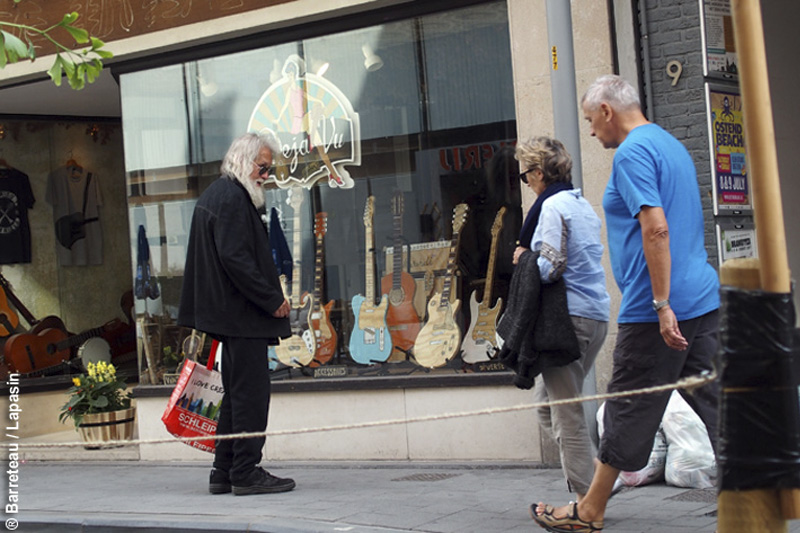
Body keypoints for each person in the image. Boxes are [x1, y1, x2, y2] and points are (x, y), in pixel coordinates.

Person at [532, 75, 720, 532]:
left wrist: (660, 304)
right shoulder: (670, 144)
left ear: (606, 111)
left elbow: (656, 227)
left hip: (658, 306)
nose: (591, 132)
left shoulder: (633, 152)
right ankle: (763, 489)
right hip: (702, 297)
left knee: (626, 407)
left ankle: (590, 509)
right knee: (716, 397)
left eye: (590, 121)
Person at [178, 132, 294, 496]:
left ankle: (223, 470)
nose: (266, 174)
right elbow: (236, 259)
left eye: (269, 168)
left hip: (229, 313)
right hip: (240, 313)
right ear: (244, 162)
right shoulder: (231, 197)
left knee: (237, 391)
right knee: (251, 393)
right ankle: (245, 470)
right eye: (262, 166)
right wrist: (270, 299)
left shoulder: (221, 194)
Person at [512, 137, 609, 503]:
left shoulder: (551, 207)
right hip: (594, 316)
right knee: (546, 405)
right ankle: (597, 480)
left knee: (566, 415)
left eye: (526, 177)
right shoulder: (580, 203)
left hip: (567, 321)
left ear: (538, 173)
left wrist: (523, 258)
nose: (527, 184)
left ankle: (588, 503)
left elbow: (550, 266)